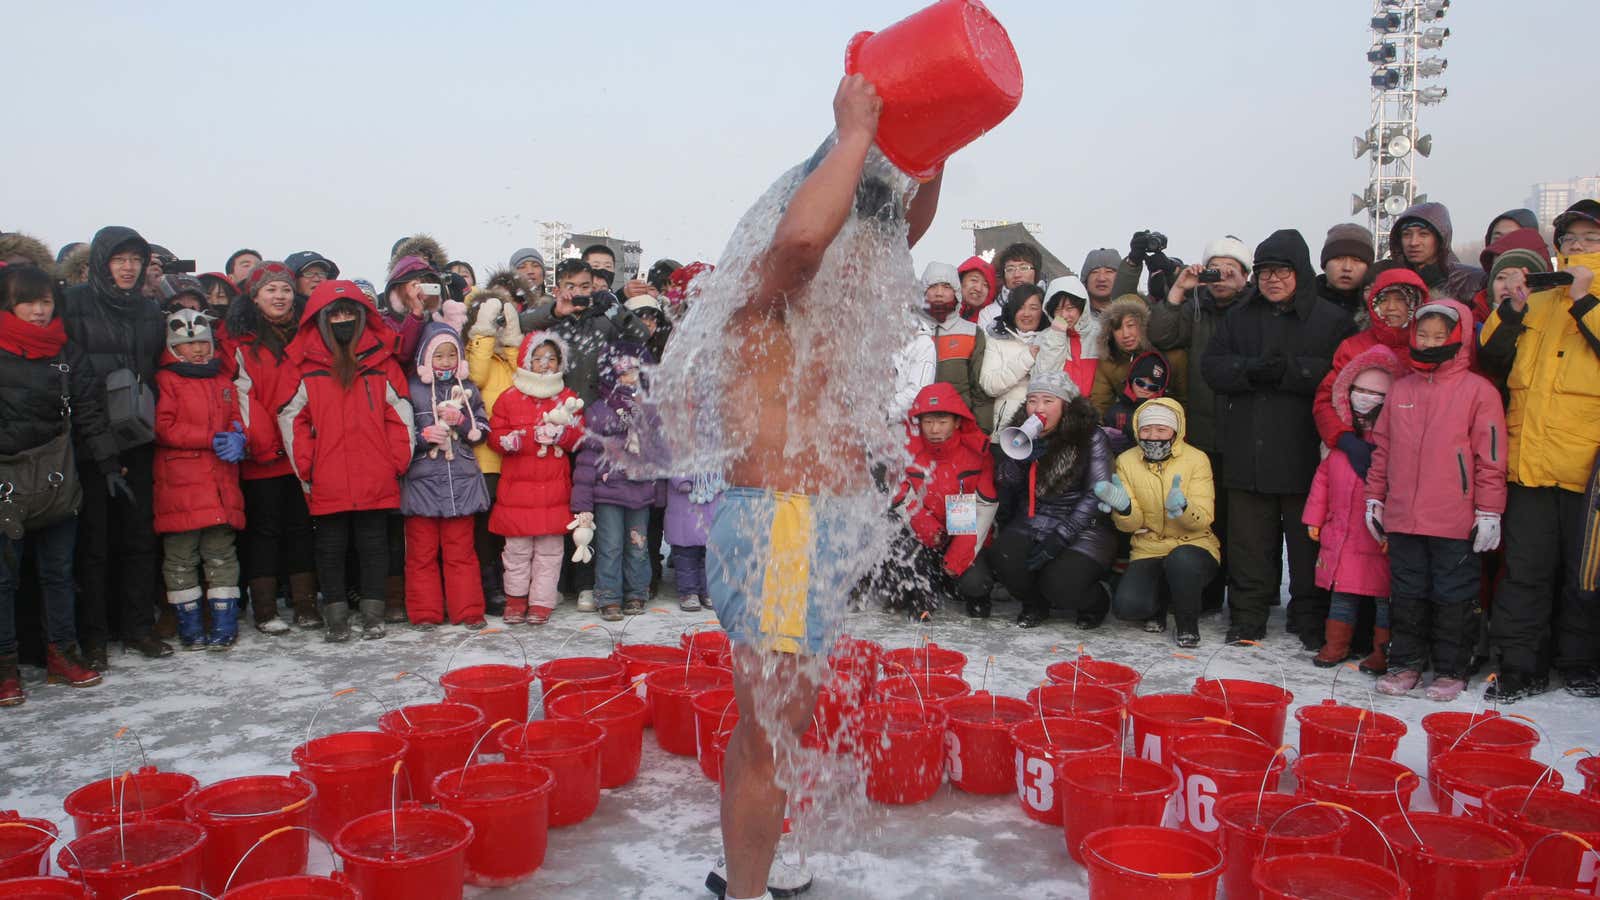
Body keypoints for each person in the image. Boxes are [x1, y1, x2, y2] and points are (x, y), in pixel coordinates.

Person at [695, 74, 946, 900]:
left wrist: (929, 144)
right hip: (784, 524)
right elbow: (804, 243)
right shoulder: (760, 295)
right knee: (770, 735)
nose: (858, 246)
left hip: (817, 522)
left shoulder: (837, 306)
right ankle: (746, 894)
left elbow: (897, 230)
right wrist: (850, 140)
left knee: (782, 728)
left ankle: (750, 878)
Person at [1201, 229, 1354, 646]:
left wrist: (1292, 372)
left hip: (1303, 452)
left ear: (1299, 273)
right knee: (1249, 544)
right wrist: (1248, 370)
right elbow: (1212, 367)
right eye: (1266, 271)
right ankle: (1247, 617)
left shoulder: (1328, 319)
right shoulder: (1240, 316)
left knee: (1306, 545)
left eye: (1282, 271)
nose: (1272, 279)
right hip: (1247, 449)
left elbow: (1340, 374)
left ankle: (1308, 616)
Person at [1478, 199, 1600, 701]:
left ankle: (1578, 662)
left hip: (1588, 471)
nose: (1577, 248)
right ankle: (1518, 665)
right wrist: (1510, 309)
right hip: (1529, 463)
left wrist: (1586, 301)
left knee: (1582, 577)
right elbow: (1490, 355)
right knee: (1525, 572)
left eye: (1590, 240)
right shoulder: (1541, 298)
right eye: (1569, 240)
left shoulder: (1584, 299)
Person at [1366, 300, 1506, 701]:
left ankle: (1450, 668)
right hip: (1404, 517)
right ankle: (1405, 663)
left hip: (1454, 519)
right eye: (1422, 335)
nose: (1429, 342)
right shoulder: (1403, 388)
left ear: (1457, 338)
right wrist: (1374, 499)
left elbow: (1490, 455)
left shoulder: (1479, 391)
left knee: (1454, 595)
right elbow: (1383, 449)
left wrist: (1489, 510)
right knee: (1407, 593)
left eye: (1439, 336)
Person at [0, 264, 114, 705]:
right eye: (28, 301)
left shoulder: (66, 351)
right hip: (6, 480)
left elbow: (89, 410)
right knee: (5, 579)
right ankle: (6, 667)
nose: (39, 310)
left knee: (58, 573)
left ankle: (62, 654)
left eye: (46, 301)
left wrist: (107, 463)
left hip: (57, 474)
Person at [278, 281, 414, 642]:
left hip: (374, 471)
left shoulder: (381, 361)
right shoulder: (304, 365)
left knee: (373, 545)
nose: (342, 320)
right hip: (327, 473)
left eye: (348, 313)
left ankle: (373, 612)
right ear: (321, 320)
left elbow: (400, 414)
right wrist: (307, 466)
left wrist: (395, 461)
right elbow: (292, 418)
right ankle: (335, 614)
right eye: (334, 314)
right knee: (330, 547)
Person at [61, 225, 170, 665]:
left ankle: (138, 627)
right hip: (89, 442)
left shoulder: (148, 311)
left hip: (139, 439)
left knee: (139, 538)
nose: (128, 268)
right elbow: (78, 382)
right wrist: (102, 451)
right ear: (102, 263)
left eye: (135, 260)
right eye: (119, 259)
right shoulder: (73, 305)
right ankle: (94, 636)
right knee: (95, 543)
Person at [1304, 345, 1408, 672]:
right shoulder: (1340, 447)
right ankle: (1335, 644)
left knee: (1384, 602)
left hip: (1378, 540)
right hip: (1344, 535)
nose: (1364, 398)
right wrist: (1314, 518)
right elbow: (1322, 483)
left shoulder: (1394, 451)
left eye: (1374, 393)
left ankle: (1382, 652)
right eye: (1358, 391)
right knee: (1343, 597)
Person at [227, 261, 319, 631]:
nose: (279, 297)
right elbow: (244, 397)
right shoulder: (242, 344)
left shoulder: (307, 336)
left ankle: (305, 603)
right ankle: (265, 608)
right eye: (270, 290)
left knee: (301, 528)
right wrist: (267, 444)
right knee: (264, 531)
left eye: (284, 289)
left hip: (304, 453)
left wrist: (304, 444)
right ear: (255, 296)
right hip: (263, 455)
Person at [990, 372, 1115, 628]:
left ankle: (1095, 604)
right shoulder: (1022, 434)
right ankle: (1035, 604)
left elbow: (1096, 493)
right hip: (1033, 519)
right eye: (1032, 401)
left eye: (1048, 401)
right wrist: (1019, 459)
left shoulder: (1090, 437)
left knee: (1061, 584)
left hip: (1082, 526)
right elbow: (1005, 481)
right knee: (1004, 557)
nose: (1038, 408)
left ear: (1065, 405)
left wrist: (1062, 535)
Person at [153, 308, 246, 651]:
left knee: (221, 553)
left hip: (220, 483)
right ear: (174, 347)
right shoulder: (166, 380)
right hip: (180, 484)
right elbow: (163, 426)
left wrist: (239, 435)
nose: (198, 350)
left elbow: (236, 417)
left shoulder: (222, 381)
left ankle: (224, 622)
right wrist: (210, 437)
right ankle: (189, 625)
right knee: (180, 557)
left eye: (204, 344)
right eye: (189, 344)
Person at [1099, 397, 1220, 647]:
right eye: (1146, 429)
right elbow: (1130, 526)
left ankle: (1188, 624)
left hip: (1193, 545)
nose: (1153, 436)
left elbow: (1204, 518)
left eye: (1161, 429)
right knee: (1127, 607)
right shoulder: (1127, 461)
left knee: (1182, 561)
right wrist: (1124, 508)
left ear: (1175, 431)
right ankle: (1159, 602)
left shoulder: (1197, 459)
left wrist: (1185, 508)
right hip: (1149, 547)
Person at [871, 382, 996, 619]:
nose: (934, 429)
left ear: (957, 421)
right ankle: (921, 594)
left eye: (942, 422)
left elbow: (984, 508)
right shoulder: (907, 452)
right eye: (928, 422)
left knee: (975, 581)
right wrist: (929, 530)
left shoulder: (977, 454)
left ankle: (973, 594)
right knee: (899, 547)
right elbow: (900, 492)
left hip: (964, 530)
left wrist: (956, 558)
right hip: (924, 531)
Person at [488, 331, 587, 625]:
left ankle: (542, 602)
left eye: (552, 359)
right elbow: (494, 434)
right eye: (539, 358)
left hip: (552, 490)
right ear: (526, 360)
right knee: (516, 551)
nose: (545, 364)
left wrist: (563, 434)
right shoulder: (509, 397)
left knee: (549, 551)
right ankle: (516, 600)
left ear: (560, 363)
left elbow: (580, 437)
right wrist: (507, 441)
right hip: (516, 492)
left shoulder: (568, 399)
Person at [402, 322, 491, 629]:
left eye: (450, 355)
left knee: (461, 552)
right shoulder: (411, 389)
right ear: (426, 357)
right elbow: (400, 435)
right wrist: (423, 436)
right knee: (421, 554)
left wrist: (463, 422)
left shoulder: (468, 390)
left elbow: (482, 433)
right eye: (437, 356)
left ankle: (467, 612)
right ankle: (425, 613)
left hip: (460, 482)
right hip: (422, 482)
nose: (444, 362)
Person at [572, 346, 663, 621]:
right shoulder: (599, 411)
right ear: (612, 376)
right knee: (610, 545)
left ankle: (636, 592)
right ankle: (609, 596)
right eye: (623, 372)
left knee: (638, 545)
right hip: (609, 489)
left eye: (634, 371)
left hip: (640, 488)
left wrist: (659, 494)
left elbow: (660, 454)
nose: (629, 377)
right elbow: (588, 458)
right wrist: (583, 503)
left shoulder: (650, 409)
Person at [1313, 268, 1424, 454]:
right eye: (1384, 300)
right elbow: (1325, 399)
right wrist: (1345, 439)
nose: (1391, 307)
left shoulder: (1426, 348)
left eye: (1400, 299)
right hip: (1356, 443)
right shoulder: (1353, 346)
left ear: (1415, 303)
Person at [463, 285, 525, 613]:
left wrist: (512, 336)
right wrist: (483, 330)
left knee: (508, 524)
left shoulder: (508, 357)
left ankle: (508, 582)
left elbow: (523, 377)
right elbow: (476, 375)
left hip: (513, 456)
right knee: (484, 524)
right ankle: (488, 585)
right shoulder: (474, 349)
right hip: (484, 456)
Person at [518, 258, 653, 406]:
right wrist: (556, 312)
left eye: (584, 287)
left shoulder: (605, 320)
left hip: (597, 410)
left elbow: (642, 335)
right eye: (570, 287)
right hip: (555, 411)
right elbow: (522, 323)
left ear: (592, 289)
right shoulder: (550, 319)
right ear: (557, 290)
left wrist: (614, 308)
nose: (578, 293)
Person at [891, 262, 989, 427]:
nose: (939, 293)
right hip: (911, 427)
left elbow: (980, 392)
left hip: (956, 427)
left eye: (946, 287)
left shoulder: (972, 332)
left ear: (956, 292)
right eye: (933, 287)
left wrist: (980, 431)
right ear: (923, 292)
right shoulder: (907, 329)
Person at [976, 284, 1070, 441]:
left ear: (1043, 310)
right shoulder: (995, 339)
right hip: (1004, 434)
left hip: (1046, 432)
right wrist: (1027, 358)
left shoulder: (1053, 339)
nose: (1026, 314)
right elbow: (990, 385)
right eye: (1020, 307)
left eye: (1033, 308)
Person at [1387, 201, 1485, 305]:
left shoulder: (1470, 281)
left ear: (1440, 237)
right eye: (1406, 235)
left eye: (1423, 234)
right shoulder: (1393, 282)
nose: (1413, 242)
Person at [1090, 294, 1158, 414]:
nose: (1125, 334)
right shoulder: (1108, 362)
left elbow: (1182, 400)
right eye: (1118, 328)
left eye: (1131, 325)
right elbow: (1099, 404)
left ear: (1144, 325)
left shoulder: (1167, 355)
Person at [1101, 350, 1171, 454]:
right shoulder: (1115, 411)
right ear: (1131, 380)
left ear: (1160, 390)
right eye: (1140, 382)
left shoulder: (1166, 414)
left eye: (1153, 387)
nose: (1144, 389)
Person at [1044, 276, 1098, 396]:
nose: (1063, 315)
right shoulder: (1044, 338)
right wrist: (1056, 336)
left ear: (1081, 307)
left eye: (1070, 308)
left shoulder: (1099, 334)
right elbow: (1042, 379)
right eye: (1058, 309)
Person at [1317, 223, 1375, 319]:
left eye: (1357, 260)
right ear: (1324, 264)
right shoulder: (1303, 303)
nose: (1347, 267)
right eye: (1338, 258)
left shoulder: (1379, 308)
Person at [957, 255, 999, 327]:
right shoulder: (942, 312)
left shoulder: (993, 321)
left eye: (985, 285)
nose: (978, 289)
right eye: (974, 280)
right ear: (960, 281)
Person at [1081, 248, 1122, 316]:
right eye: (1095, 272)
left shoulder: (1132, 316)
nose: (1101, 278)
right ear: (1085, 280)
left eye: (1109, 272)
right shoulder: (1068, 313)